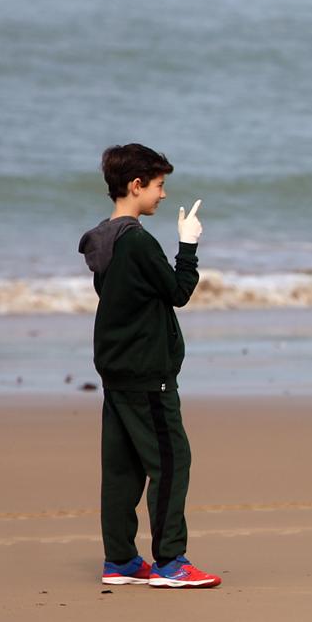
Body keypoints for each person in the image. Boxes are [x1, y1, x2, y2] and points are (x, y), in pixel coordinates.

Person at [78, 143, 222, 589]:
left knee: (122, 465)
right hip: (146, 372)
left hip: (116, 367)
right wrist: (189, 243)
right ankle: (170, 562)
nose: (162, 195)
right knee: (172, 461)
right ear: (135, 185)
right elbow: (177, 290)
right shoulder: (137, 240)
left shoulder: (104, 237)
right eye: (158, 186)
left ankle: (120, 560)